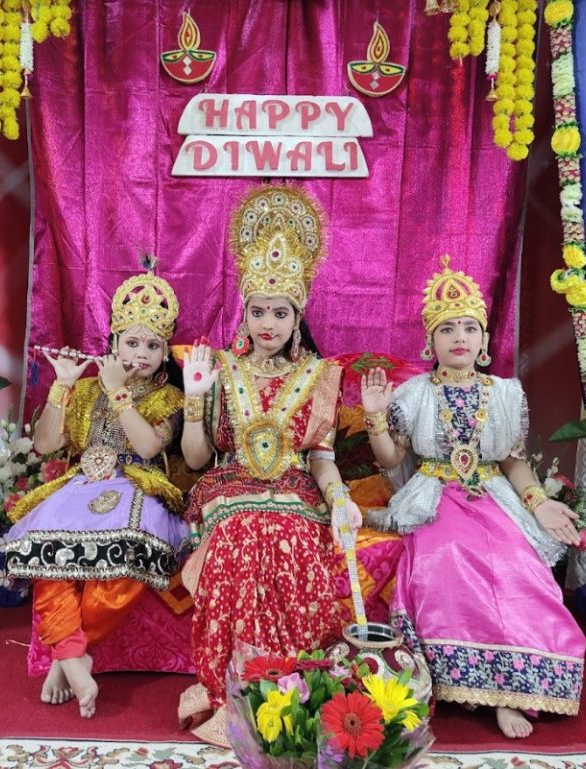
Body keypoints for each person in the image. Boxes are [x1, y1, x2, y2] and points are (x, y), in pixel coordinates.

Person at [359, 256, 586, 739]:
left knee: (518, 567)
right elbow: (388, 458)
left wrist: (536, 501)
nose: (459, 337)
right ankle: (456, 682)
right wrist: (376, 418)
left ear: (483, 340)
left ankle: (511, 691)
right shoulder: (415, 393)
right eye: (447, 330)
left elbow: (512, 459)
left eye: (469, 328)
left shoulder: (504, 393)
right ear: (431, 342)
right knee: (445, 559)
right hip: (435, 498)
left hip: (493, 496)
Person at [177, 185, 362, 745]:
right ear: (246, 310)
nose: (267, 323)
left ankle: (292, 691)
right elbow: (195, 458)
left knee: (287, 541)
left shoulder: (321, 375)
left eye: (279, 312)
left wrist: (340, 498)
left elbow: (323, 462)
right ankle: (238, 692)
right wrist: (193, 398)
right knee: (242, 536)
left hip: (296, 491)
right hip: (228, 487)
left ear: (297, 313)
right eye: (258, 311)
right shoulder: (221, 368)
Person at [3, 270, 189, 718]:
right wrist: (63, 385)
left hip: (138, 487)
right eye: (131, 342)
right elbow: (46, 444)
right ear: (113, 343)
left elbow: (146, 447)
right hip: (80, 487)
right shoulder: (86, 389)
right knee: (47, 553)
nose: (140, 354)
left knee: (126, 555)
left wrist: (119, 393)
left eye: (152, 346)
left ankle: (65, 657)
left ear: (165, 353)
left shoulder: (170, 399)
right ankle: (73, 657)